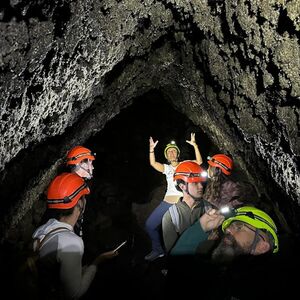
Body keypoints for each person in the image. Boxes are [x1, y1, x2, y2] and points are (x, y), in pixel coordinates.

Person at [165, 206, 282, 300]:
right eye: (229, 226)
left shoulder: (257, 291)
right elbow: (177, 275)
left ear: (262, 246)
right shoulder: (223, 276)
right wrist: (200, 228)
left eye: (239, 227)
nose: (227, 230)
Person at [32, 172, 118, 299]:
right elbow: (73, 294)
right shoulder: (71, 243)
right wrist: (98, 261)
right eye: (83, 197)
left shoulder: (44, 228)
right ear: (79, 203)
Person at [144, 133, 203, 261]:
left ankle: (182, 258)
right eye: (169, 152)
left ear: (177, 154)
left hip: (182, 203)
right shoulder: (167, 168)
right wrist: (151, 149)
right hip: (167, 202)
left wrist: (195, 145)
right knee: (149, 225)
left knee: (180, 233)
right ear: (166, 156)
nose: (171, 153)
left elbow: (199, 162)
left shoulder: (184, 164)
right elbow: (153, 163)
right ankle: (158, 250)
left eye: (173, 151)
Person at [162, 160, 209, 253]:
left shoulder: (210, 209)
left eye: (201, 182)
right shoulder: (171, 217)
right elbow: (174, 254)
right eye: (195, 183)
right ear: (182, 186)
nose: (201, 186)